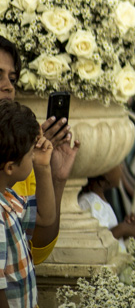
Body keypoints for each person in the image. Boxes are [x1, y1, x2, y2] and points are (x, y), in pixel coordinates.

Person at [0, 38, 77, 268]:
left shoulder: (21, 154)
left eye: (12, 79)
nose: (8, 86)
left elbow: (37, 249)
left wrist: (55, 176)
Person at [0, 100, 54, 308]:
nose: (34, 155)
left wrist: (43, 166)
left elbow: (45, 216)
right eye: (31, 153)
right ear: (10, 167)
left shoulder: (8, 198)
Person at [77, 168, 135, 253]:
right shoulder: (89, 202)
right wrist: (122, 228)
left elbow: (110, 237)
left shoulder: (99, 202)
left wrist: (126, 231)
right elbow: (98, 241)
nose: (122, 170)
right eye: (118, 164)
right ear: (104, 174)